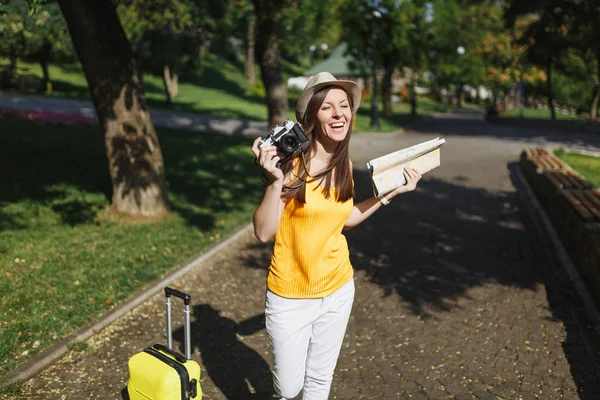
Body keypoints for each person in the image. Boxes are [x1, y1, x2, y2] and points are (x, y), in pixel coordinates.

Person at [251, 72, 421, 400]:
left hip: (338, 290)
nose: (339, 113)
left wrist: (391, 194)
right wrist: (273, 183)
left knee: (319, 380)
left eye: (344, 106)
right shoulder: (291, 166)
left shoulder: (344, 165)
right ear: (313, 115)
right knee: (288, 388)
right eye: (328, 107)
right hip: (291, 297)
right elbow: (262, 232)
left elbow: (346, 218)